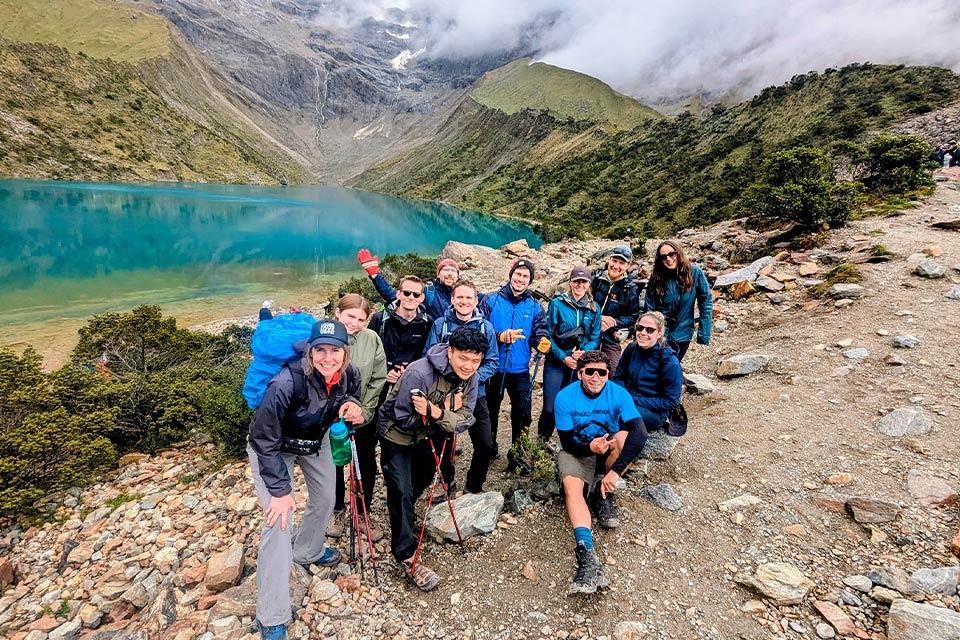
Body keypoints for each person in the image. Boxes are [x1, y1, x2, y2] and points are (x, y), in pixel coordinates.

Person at [247, 319, 365, 639]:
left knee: (326, 498)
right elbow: (262, 438)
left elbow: (352, 396)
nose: (328, 358)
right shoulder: (286, 383)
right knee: (279, 520)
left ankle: (308, 551)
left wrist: (354, 408)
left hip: (315, 439)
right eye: (321, 350)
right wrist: (281, 490)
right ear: (310, 352)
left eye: (335, 351)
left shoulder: (349, 374)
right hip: (274, 447)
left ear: (345, 353)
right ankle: (271, 615)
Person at [377, 327, 486, 591]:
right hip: (397, 436)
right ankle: (405, 554)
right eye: (463, 358)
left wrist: (438, 412)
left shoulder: (471, 377)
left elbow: (467, 418)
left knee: (426, 476)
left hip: (431, 431)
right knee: (400, 488)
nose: (469, 366)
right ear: (450, 352)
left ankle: (403, 511)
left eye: (475, 360)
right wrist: (447, 412)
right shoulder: (419, 372)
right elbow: (402, 416)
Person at [554, 351, 647, 595]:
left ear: (608, 374)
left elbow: (640, 433)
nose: (596, 377)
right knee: (572, 489)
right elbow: (566, 442)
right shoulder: (565, 397)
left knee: (624, 437)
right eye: (590, 372)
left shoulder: (618, 393)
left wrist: (615, 472)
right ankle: (586, 553)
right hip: (579, 451)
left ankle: (602, 491)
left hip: (606, 451)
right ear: (579, 373)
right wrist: (588, 447)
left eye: (602, 372)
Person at [422, 279, 498, 494]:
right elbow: (429, 356)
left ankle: (474, 486)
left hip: (476, 393)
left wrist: (468, 380)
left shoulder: (486, 327)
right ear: (452, 299)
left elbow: (492, 361)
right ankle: (447, 481)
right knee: (442, 441)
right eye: (459, 297)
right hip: (443, 395)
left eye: (468, 297)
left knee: (484, 443)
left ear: (476, 300)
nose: (464, 301)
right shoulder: (440, 325)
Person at [327, 295, 387, 539]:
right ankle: (337, 509)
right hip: (330, 418)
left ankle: (363, 512)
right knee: (334, 464)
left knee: (365, 463)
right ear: (337, 313)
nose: (355, 323)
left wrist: (366, 410)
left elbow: (378, 378)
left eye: (361, 319)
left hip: (362, 415)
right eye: (350, 316)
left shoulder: (371, 339)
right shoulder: (326, 338)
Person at [481, 258, 550, 465]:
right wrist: (500, 336)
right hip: (493, 366)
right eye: (518, 274)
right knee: (491, 409)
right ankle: (489, 447)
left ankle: (517, 454)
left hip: (519, 368)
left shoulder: (535, 306)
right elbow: (480, 329)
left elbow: (540, 331)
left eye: (525, 276)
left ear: (530, 281)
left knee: (523, 411)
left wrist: (542, 342)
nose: (520, 279)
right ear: (511, 275)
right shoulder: (491, 300)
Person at [537, 266, 602, 443]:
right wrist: (564, 357)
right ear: (570, 282)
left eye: (584, 282)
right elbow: (548, 334)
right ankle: (542, 441)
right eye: (576, 281)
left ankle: (569, 442)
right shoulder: (557, 304)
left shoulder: (594, 308)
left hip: (579, 364)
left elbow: (595, 336)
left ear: (589, 284)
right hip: (557, 362)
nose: (580, 285)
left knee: (573, 405)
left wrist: (584, 353)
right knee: (550, 407)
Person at [612, 312, 684, 431]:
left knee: (618, 414)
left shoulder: (669, 361)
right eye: (640, 328)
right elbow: (619, 377)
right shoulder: (631, 349)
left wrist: (632, 399)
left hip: (654, 412)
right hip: (627, 398)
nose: (643, 333)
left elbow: (671, 401)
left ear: (659, 333)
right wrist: (622, 395)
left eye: (650, 330)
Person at [643, 241, 712, 361]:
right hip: (659, 333)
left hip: (682, 332)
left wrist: (704, 334)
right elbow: (649, 306)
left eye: (672, 254)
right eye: (664, 257)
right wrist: (648, 332)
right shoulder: (656, 277)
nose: (668, 259)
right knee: (656, 365)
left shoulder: (695, 273)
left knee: (669, 364)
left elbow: (705, 303)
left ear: (678, 253)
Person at [367, 275, 434, 390]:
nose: (411, 297)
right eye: (406, 293)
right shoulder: (380, 319)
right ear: (398, 294)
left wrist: (409, 371)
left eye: (416, 294)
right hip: (379, 377)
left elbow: (425, 353)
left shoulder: (427, 322)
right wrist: (385, 372)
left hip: (411, 378)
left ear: (422, 298)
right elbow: (368, 350)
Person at [357, 249, 459, 320]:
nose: (449, 273)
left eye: (453, 270)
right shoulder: (429, 291)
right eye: (445, 270)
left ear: (458, 275)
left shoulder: (467, 293)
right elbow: (394, 296)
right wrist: (375, 276)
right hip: (434, 345)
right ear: (438, 274)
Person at [591, 246, 642, 372]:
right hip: (589, 332)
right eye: (614, 261)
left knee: (613, 371)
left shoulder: (630, 288)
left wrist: (614, 322)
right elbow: (583, 303)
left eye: (622, 263)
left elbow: (632, 316)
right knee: (584, 366)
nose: (616, 266)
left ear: (628, 265)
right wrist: (599, 318)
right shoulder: (596, 279)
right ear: (609, 260)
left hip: (610, 337)